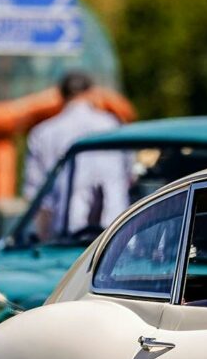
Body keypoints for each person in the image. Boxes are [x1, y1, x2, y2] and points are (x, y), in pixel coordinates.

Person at [22, 71, 130, 240]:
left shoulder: (42, 134)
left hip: (66, 238)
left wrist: (43, 243)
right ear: (92, 93)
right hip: (117, 236)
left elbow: (37, 198)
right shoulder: (115, 126)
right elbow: (129, 178)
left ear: (61, 96)